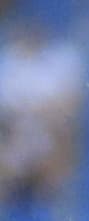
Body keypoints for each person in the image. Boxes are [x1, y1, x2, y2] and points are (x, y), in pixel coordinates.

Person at [0, 18, 83, 210]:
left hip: (52, 128)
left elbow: (72, 102)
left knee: (60, 137)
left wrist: (38, 113)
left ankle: (50, 204)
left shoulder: (63, 58)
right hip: (15, 129)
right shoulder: (8, 59)